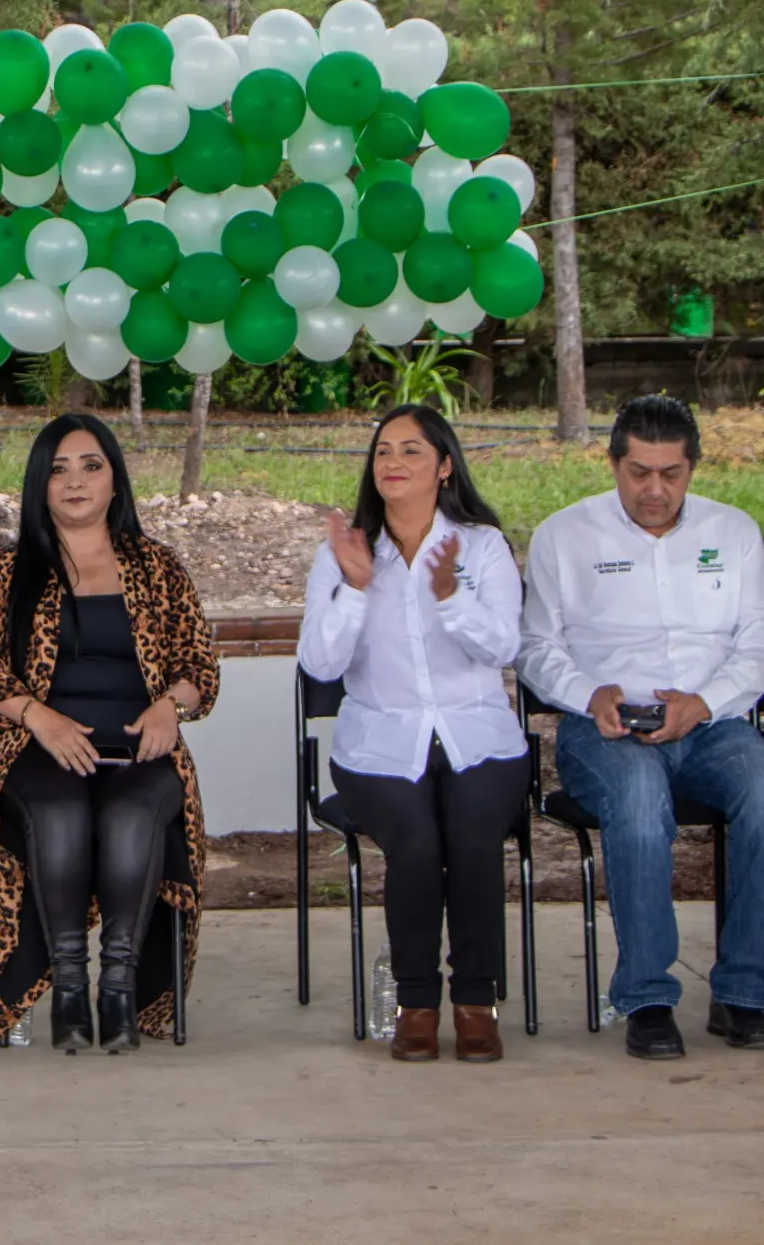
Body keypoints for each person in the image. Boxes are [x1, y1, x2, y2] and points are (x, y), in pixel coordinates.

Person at [520, 395, 764, 1060]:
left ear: (693, 467)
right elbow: (535, 646)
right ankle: (646, 998)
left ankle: (743, 994)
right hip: (605, 725)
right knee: (640, 805)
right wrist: (590, 693)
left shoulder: (731, 532)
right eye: (639, 472)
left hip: (713, 723)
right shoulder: (566, 534)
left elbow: (762, 645)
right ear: (614, 464)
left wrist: (703, 702)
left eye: (670, 473)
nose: (654, 489)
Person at [0, 415, 219, 1052]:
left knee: (135, 813)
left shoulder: (157, 567)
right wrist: (38, 717)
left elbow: (199, 666)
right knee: (60, 812)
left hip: (138, 749)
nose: (75, 480)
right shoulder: (10, 569)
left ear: (114, 481)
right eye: (58, 468)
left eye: (91, 466)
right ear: (39, 485)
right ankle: (70, 990)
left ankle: (119, 989)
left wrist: (168, 708)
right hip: (35, 751)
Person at [295, 403, 524, 1063]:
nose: (392, 463)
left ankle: (477, 1004)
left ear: (445, 466)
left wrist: (451, 595)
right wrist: (356, 587)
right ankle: (416, 1003)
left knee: (475, 839)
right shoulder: (344, 553)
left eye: (411, 451)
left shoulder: (481, 546)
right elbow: (321, 663)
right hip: (378, 745)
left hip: (478, 737)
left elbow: (502, 646)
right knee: (417, 844)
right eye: (384, 451)